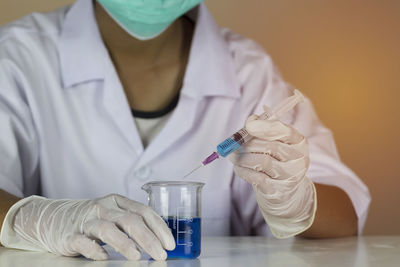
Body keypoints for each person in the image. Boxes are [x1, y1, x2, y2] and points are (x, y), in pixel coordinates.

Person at [0, 0, 370, 261]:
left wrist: (294, 198)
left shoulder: (248, 70)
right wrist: (37, 220)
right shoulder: (19, 56)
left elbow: (344, 219)